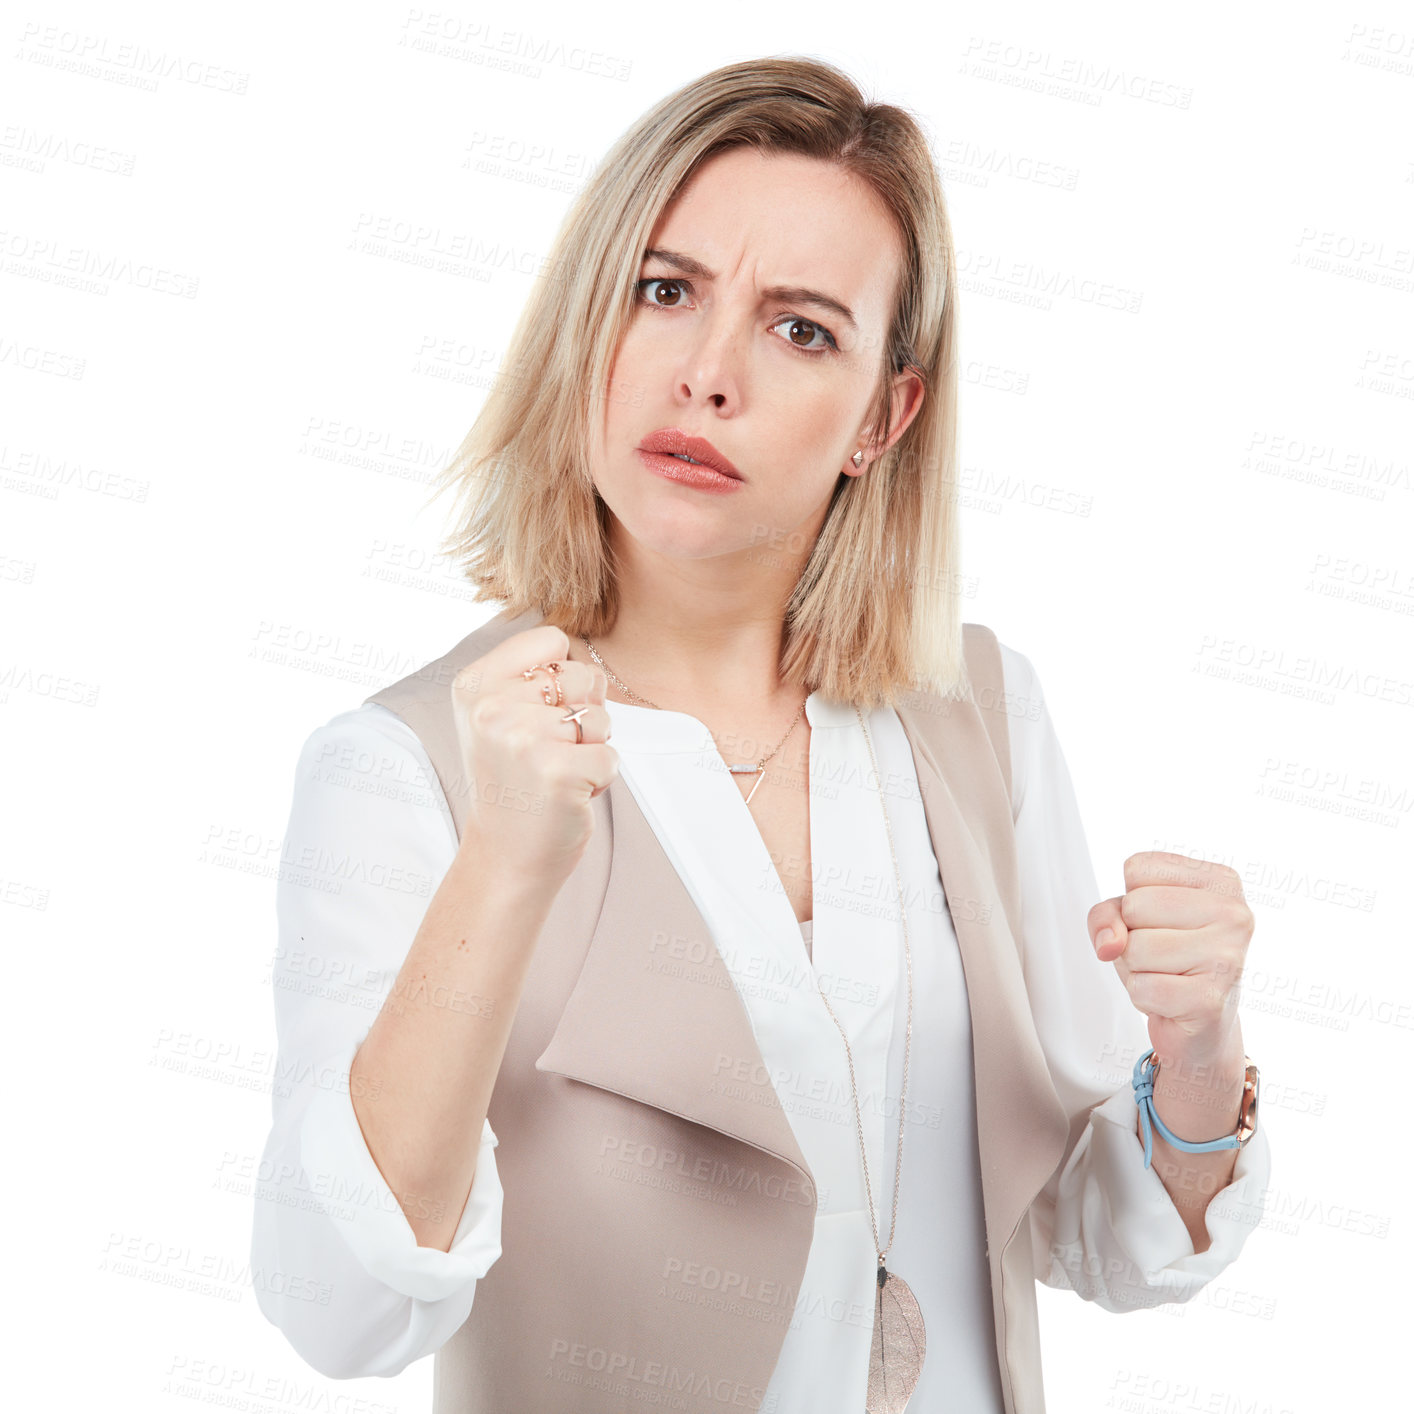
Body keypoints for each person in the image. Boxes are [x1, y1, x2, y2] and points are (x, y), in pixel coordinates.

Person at [251, 56, 1270, 1414]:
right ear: (585, 326)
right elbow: (341, 1301)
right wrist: (500, 868)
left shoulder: (981, 717)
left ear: (881, 416)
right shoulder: (409, 765)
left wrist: (1197, 1049)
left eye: (800, 330)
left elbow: (1094, 1232)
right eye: (664, 292)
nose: (708, 374)